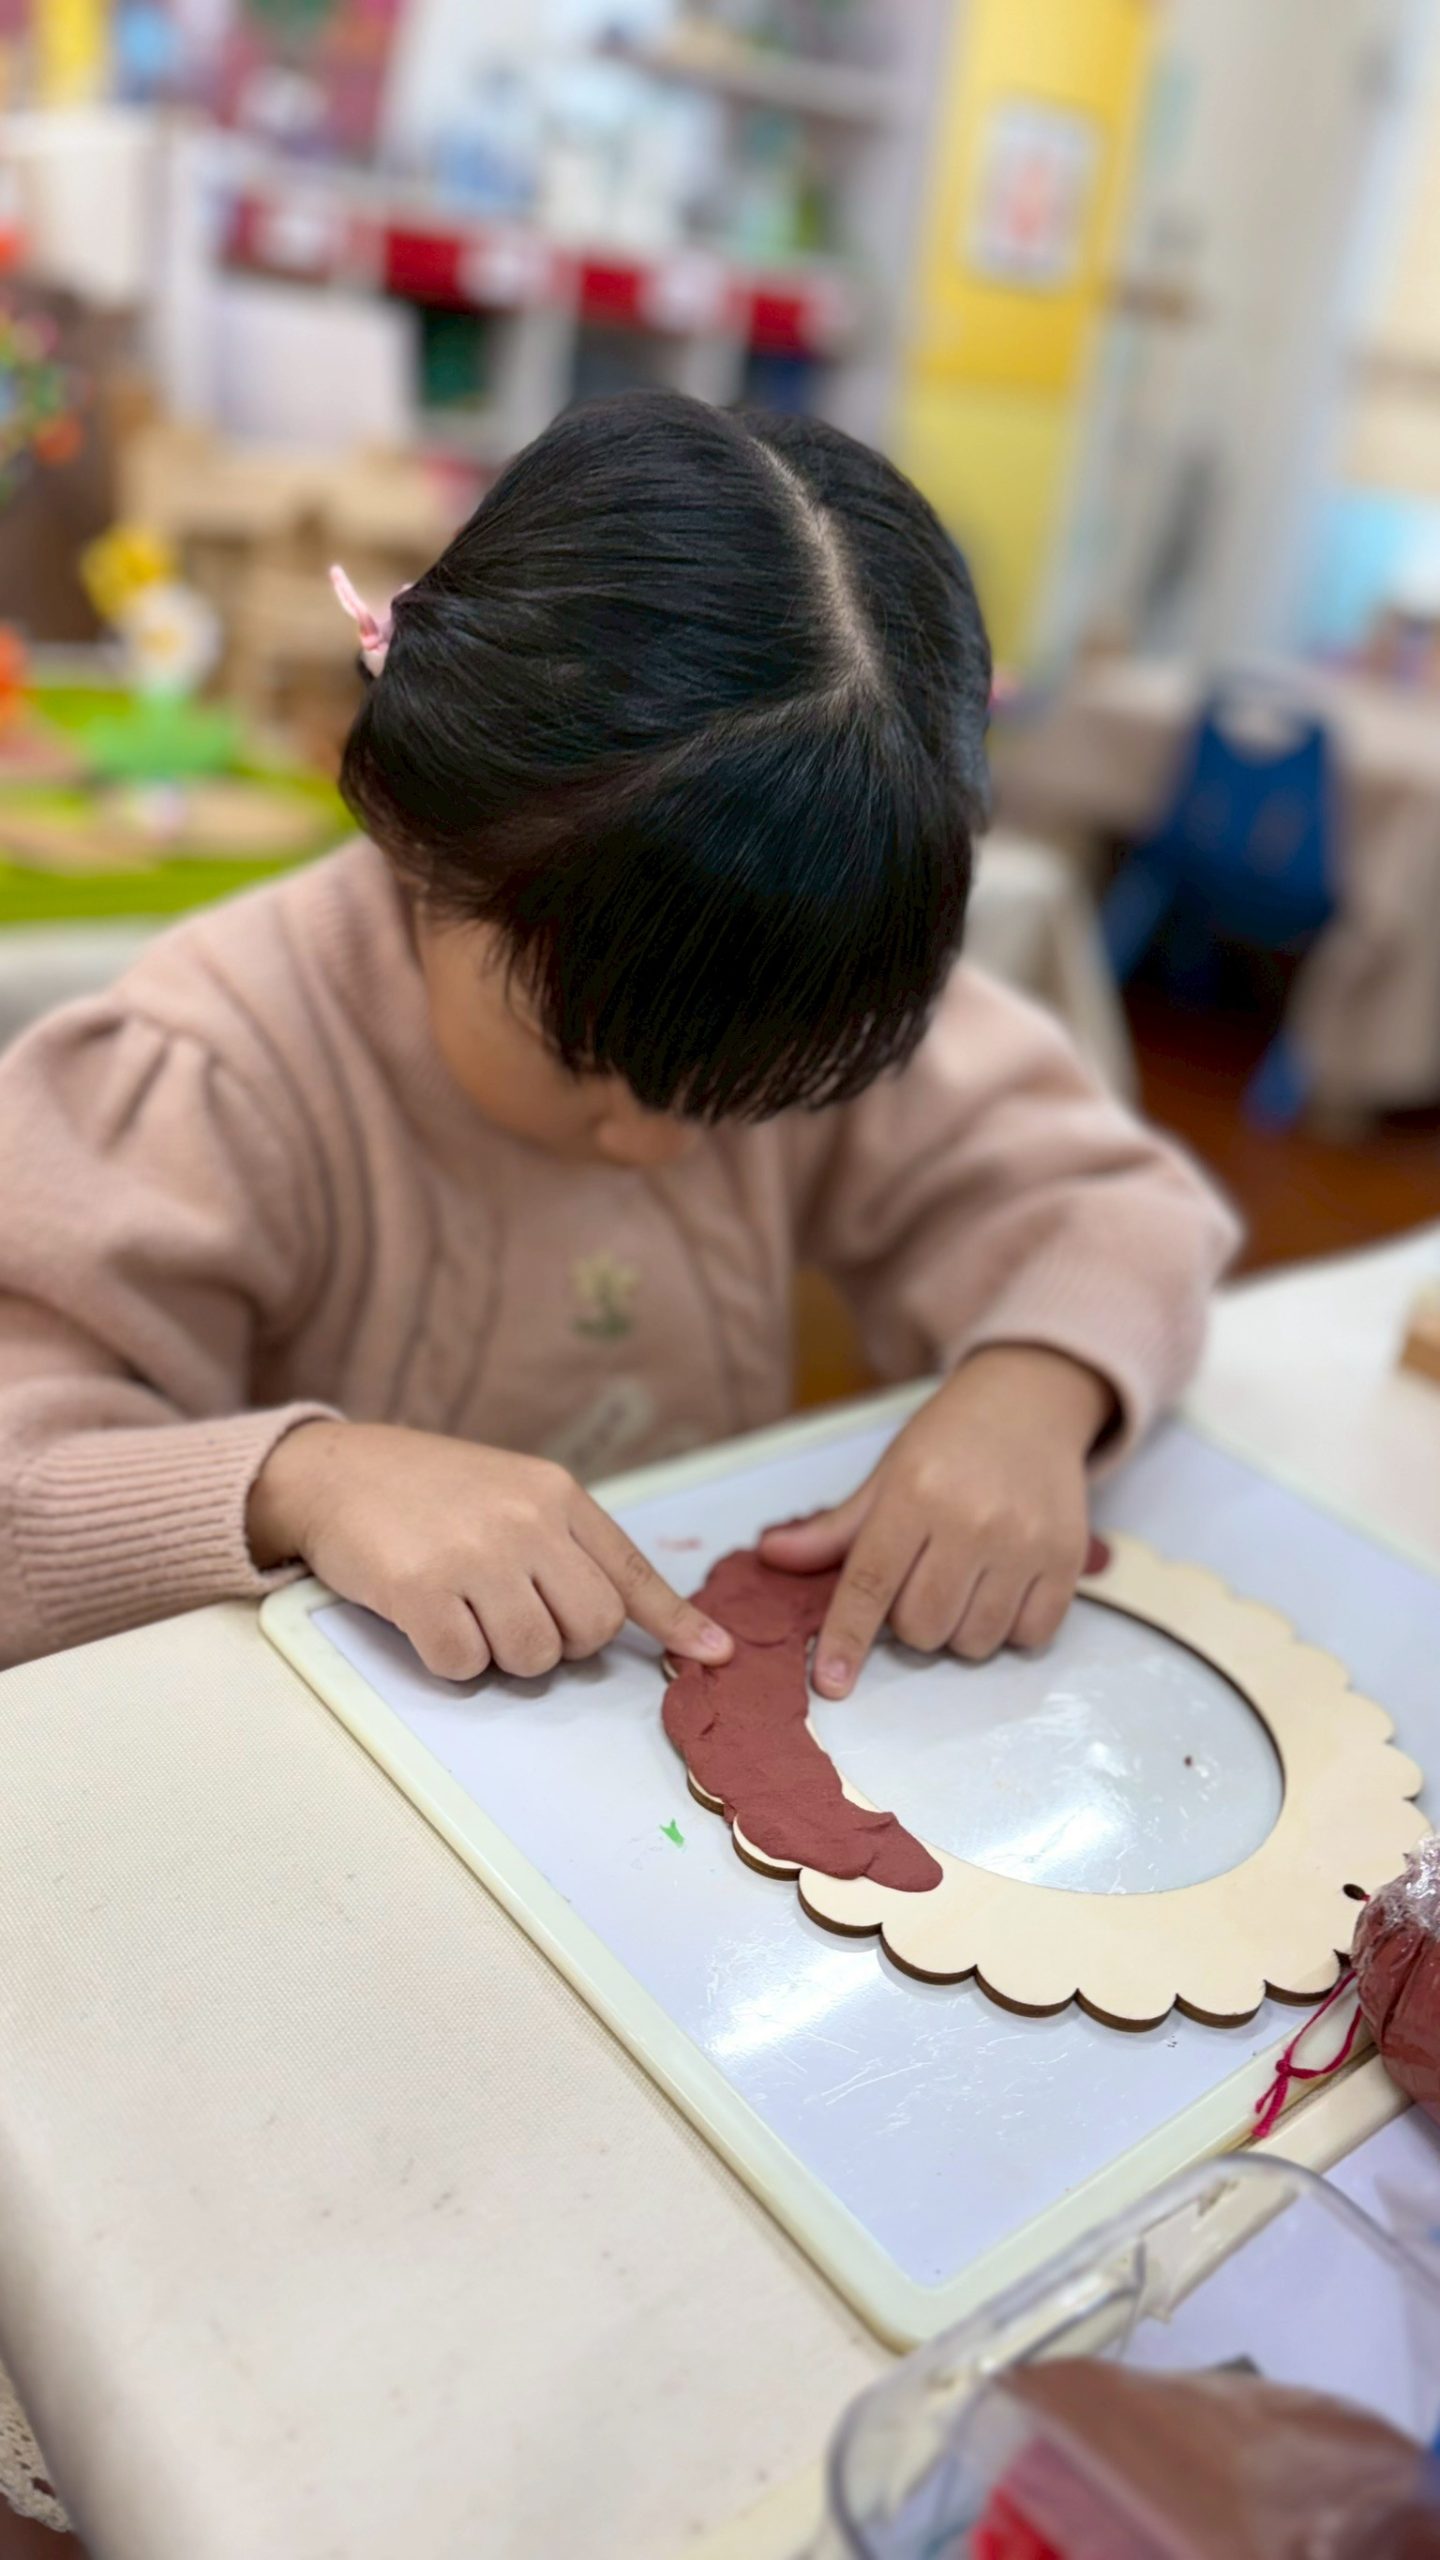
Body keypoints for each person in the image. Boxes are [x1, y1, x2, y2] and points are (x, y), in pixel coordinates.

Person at [0, 392, 1235, 1686]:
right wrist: (300, 1480)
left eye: (736, 1097)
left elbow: (1120, 1208)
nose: (655, 1143)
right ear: (422, 842)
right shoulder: (220, 1064)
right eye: (584, 1060)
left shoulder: (778, 976)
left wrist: (1037, 1386)